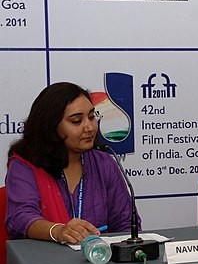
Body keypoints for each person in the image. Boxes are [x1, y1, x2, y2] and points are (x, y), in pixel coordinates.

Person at [5, 82, 137, 244]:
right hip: (44, 263)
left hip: (99, 261)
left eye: (91, 117)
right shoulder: (25, 165)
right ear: (51, 127)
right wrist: (58, 231)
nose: (89, 127)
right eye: (76, 121)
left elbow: (125, 224)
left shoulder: (103, 163)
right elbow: (19, 219)